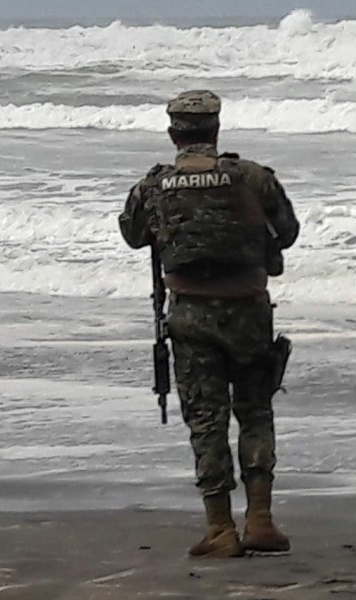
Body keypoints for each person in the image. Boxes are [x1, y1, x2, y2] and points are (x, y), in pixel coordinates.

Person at [118, 90, 299, 557]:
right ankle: (260, 518)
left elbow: (133, 236)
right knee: (256, 410)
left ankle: (220, 528)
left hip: (190, 314)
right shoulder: (252, 178)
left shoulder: (153, 186)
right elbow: (290, 232)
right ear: (216, 130)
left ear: (173, 132)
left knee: (205, 419)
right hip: (248, 309)